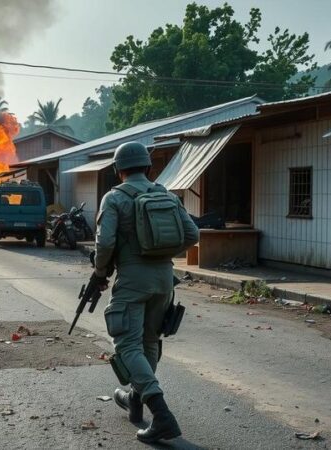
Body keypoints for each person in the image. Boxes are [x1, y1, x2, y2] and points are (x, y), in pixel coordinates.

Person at [92, 142, 199, 443]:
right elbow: (192, 234)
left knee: (127, 345)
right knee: (150, 341)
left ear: (118, 169)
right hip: (165, 279)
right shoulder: (165, 194)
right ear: (148, 167)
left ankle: (162, 415)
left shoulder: (114, 197)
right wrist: (160, 253)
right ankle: (135, 401)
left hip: (132, 278)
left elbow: (105, 243)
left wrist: (101, 272)